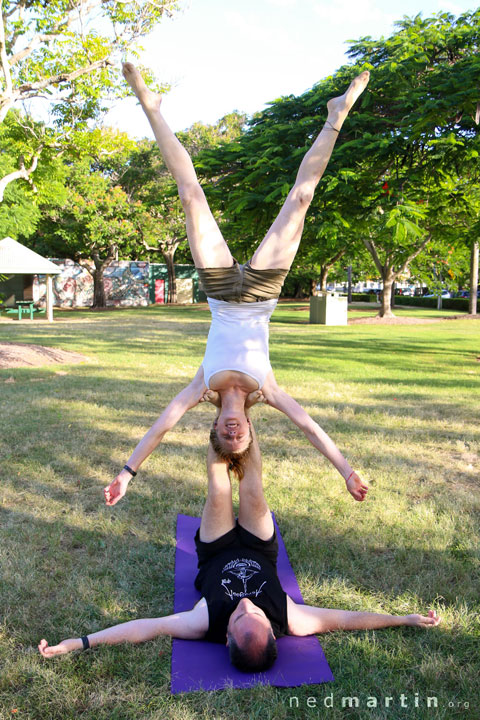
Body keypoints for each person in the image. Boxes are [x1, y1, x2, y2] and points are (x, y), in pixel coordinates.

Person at [104, 63, 371, 507]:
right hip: (263, 292)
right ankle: (336, 115)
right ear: (249, 429)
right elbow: (309, 427)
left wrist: (127, 473)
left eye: (225, 440)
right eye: (241, 439)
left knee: (191, 196)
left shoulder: (200, 388)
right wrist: (346, 469)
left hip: (222, 290)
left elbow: (161, 425)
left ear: (214, 431)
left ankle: (150, 106)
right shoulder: (266, 389)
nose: (234, 435)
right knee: (300, 199)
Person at [40, 423, 440, 669]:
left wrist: (80, 642)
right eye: (258, 616)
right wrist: (402, 619)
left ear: (227, 637)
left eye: (238, 617)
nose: (247, 607)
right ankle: (243, 419)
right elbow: (347, 618)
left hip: (215, 550)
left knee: (218, 488)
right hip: (259, 546)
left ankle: (222, 423)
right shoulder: (291, 619)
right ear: (273, 631)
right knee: (252, 484)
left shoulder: (204, 624)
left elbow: (145, 629)